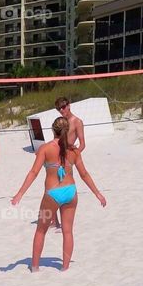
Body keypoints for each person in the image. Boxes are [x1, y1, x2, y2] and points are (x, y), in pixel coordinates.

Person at [11, 117, 106, 272]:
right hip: (70, 191)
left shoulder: (45, 148)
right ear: (68, 130)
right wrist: (98, 194)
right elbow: (84, 174)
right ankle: (65, 267)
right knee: (67, 231)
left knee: (41, 230)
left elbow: (33, 172)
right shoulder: (74, 151)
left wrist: (19, 194)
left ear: (52, 130)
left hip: (52, 193)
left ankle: (35, 267)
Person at [49, 97, 86, 230]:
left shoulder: (77, 122)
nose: (61, 110)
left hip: (67, 160)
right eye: (59, 108)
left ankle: (59, 222)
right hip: (57, 158)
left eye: (63, 107)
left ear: (69, 105)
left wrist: (73, 158)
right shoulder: (60, 122)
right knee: (52, 187)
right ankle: (55, 221)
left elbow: (82, 144)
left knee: (63, 188)